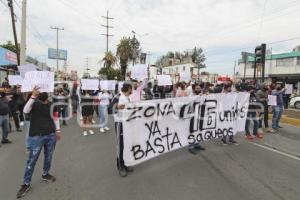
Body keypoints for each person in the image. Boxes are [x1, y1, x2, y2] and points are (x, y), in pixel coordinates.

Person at [17, 87, 61, 199]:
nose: (42, 93)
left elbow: (55, 118)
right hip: (37, 136)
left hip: (51, 135)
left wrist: (58, 130)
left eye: (44, 91)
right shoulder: (34, 103)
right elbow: (25, 111)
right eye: (40, 92)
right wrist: (33, 96)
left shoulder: (52, 104)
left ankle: (45, 174)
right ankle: (26, 184)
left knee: (49, 156)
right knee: (32, 160)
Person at [114, 83, 134, 177]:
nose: (132, 90)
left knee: (127, 144)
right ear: (128, 88)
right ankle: (120, 166)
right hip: (120, 124)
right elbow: (113, 108)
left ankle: (126, 163)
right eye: (131, 88)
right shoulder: (119, 96)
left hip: (126, 123)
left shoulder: (127, 97)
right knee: (121, 145)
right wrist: (118, 106)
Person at [188, 84, 206, 154]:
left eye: (199, 88)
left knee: (198, 130)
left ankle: (197, 144)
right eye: (197, 88)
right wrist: (199, 96)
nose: (199, 89)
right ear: (193, 89)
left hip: (199, 115)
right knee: (192, 131)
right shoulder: (191, 95)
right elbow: (191, 102)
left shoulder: (201, 95)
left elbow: (202, 102)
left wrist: (205, 96)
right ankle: (191, 146)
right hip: (192, 116)